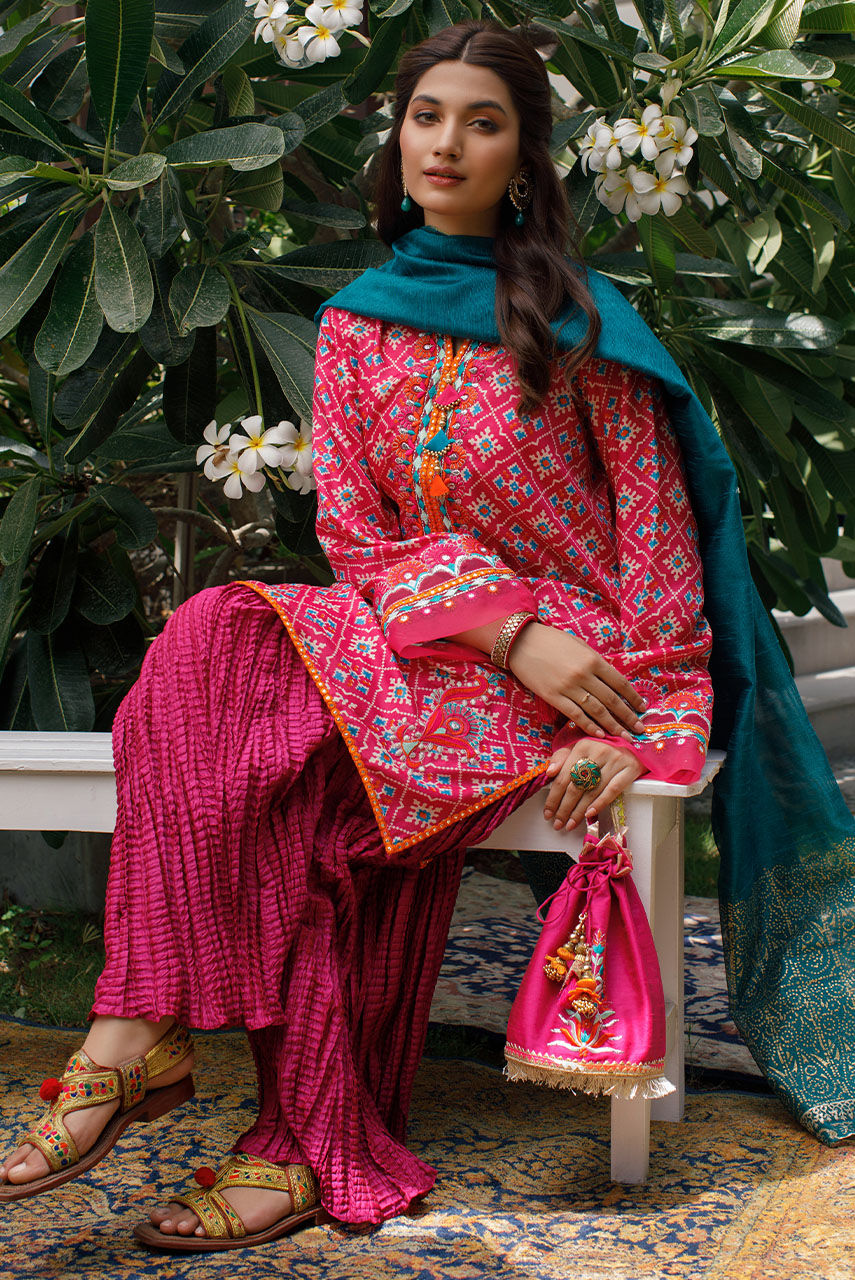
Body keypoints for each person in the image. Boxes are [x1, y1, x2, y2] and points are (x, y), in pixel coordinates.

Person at [2, 15, 853, 1252]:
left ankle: (276, 1128)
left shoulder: (586, 325)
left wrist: (640, 724)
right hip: (423, 643)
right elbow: (355, 534)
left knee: (304, 793)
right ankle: (142, 1034)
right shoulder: (354, 326)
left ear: (526, 158)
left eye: (483, 122)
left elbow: (662, 548)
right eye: (426, 116)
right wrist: (504, 630)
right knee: (210, 637)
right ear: (397, 140)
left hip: (569, 680)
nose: (446, 142)